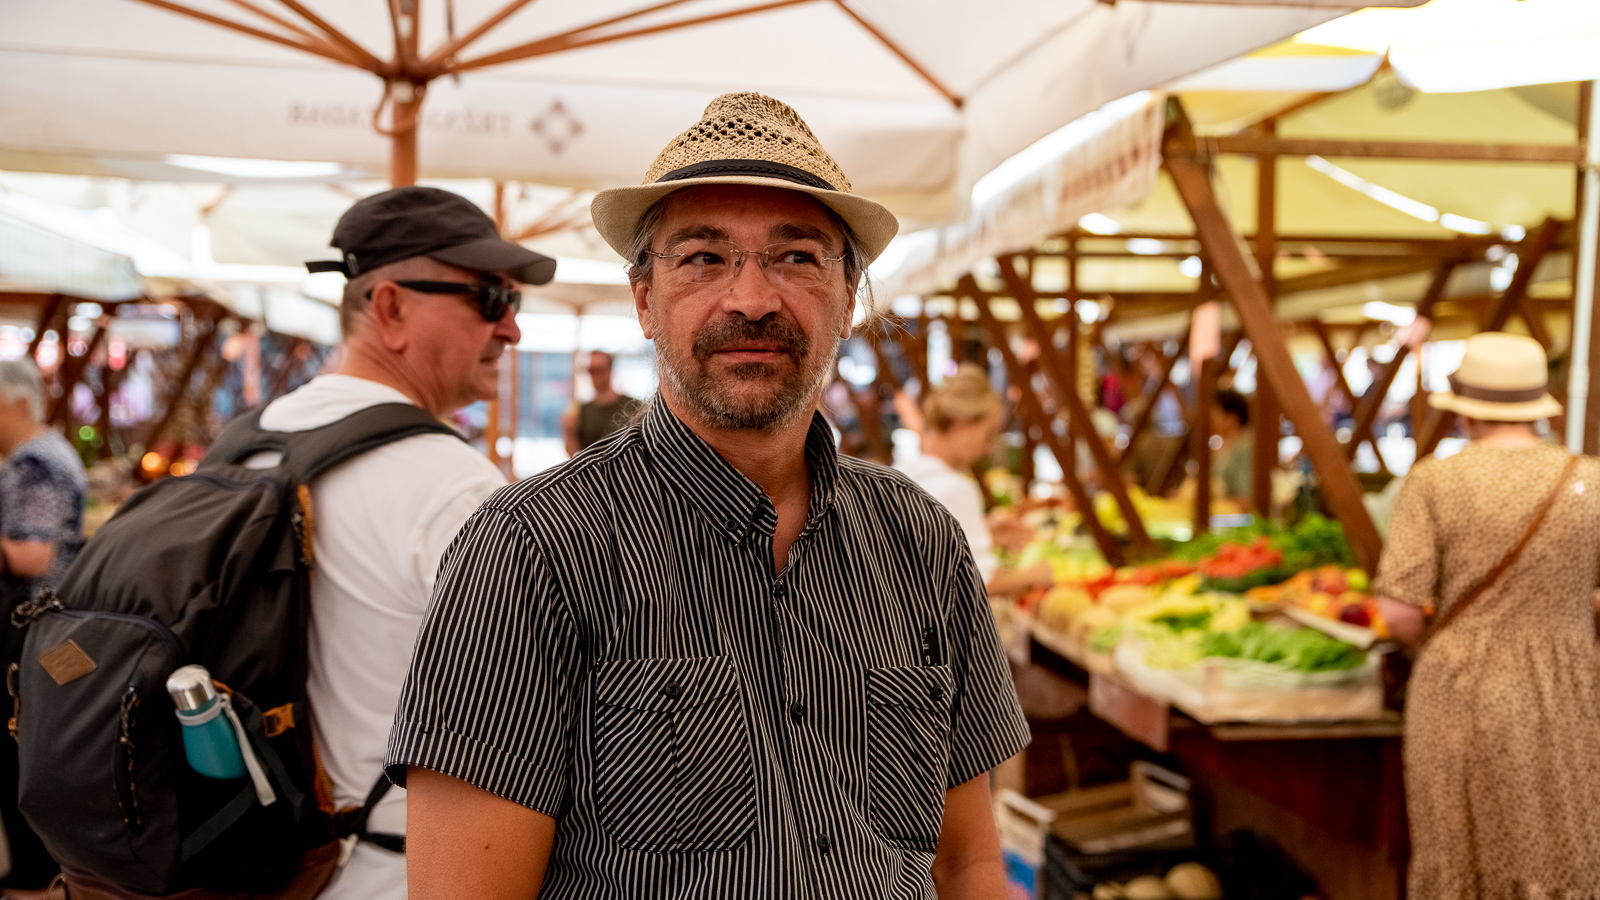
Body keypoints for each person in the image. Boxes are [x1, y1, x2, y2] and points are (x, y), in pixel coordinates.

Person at [388, 92, 1029, 900]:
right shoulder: (529, 550)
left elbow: (967, 863)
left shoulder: (921, 540)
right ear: (644, 300)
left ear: (849, 299)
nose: (752, 299)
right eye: (702, 258)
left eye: (797, 257)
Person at [277, 186, 554, 899]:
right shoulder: (451, 489)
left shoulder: (256, 440)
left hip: (268, 869)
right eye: (491, 299)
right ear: (392, 308)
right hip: (390, 876)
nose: (512, 329)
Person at [1374, 332, 1600, 899]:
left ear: (1466, 411)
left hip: (1460, 686)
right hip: (1570, 687)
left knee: (1459, 849)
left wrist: (1447, 637)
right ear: (1537, 407)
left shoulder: (1434, 480)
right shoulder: (1590, 482)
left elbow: (1399, 611)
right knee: (1561, 838)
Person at [0, 359, 85, 898]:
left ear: (17, 402)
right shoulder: (42, 455)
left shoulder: (36, 462)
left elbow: (34, 555)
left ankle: (34, 880)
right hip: (45, 625)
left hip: (30, 627)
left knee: (17, 748)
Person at [898, 364, 1051, 596]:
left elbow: (923, 553)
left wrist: (984, 533)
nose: (987, 448)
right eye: (988, 434)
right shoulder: (956, 489)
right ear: (963, 424)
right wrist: (1036, 574)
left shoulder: (901, 474)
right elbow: (979, 583)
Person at [561, 350, 642, 455]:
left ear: (610, 369)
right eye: (591, 370)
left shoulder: (634, 406)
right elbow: (573, 453)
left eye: (599, 369)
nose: (595, 375)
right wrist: (570, 433)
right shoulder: (583, 410)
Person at [1211, 387, 1253, 501]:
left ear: (1233, 417)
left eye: (1216, 413)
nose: (1211, 417)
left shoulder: (1246, 446)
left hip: (1233, 511)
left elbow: (1245, 496)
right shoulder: (1221, 443)